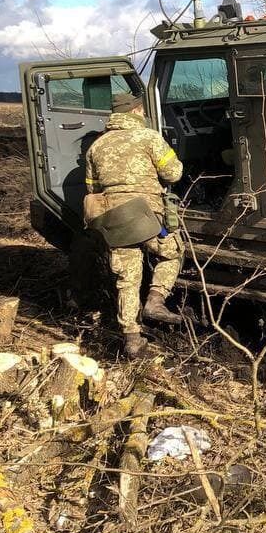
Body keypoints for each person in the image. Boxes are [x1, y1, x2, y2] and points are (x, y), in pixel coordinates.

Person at [84, 91, 184, 357]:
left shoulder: (97, 146)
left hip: (114, 220)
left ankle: (131, 339)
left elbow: (92, 188)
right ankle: (156, 299)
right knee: (173, 252)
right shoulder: (149, 137)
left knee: (127, 279)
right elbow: (173, 172)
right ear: (137, 111)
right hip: (147, 217)